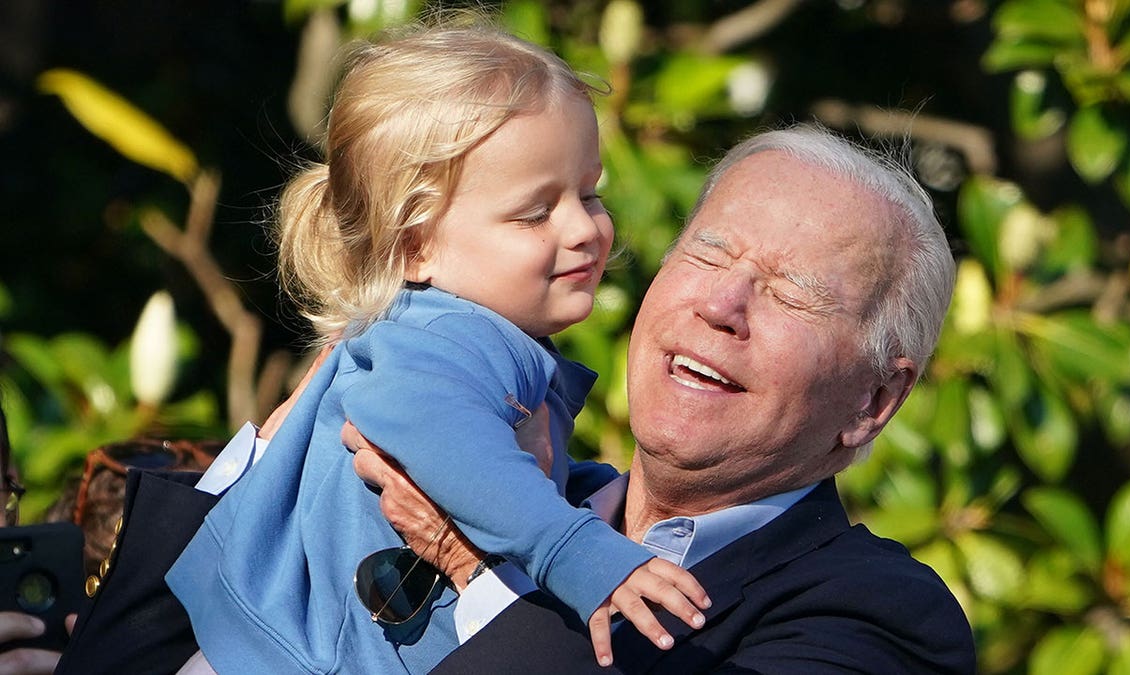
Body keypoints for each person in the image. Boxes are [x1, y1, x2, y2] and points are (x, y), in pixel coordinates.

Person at [164, 23, 707, 675]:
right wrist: (578, 549)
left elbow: (489, 465)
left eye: (588, 192)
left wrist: (589, 492)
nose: (585, 226)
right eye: (535, 212)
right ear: (414, 246)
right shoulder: (441, 337)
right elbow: (453, 447)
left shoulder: (472, 329)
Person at [345, 123, 979, 672]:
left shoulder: (885, 619)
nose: (719, 306)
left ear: (873, 399)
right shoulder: (509, 474)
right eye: (706, 256)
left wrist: (481, 565)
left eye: (792, 294)